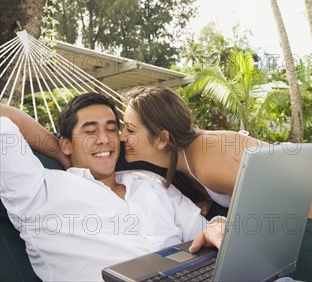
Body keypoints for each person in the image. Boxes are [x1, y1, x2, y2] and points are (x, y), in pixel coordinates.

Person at [0, 94, 225, 282]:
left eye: (111, 129)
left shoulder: (149, 182)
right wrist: (58, 153)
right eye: (90, 132)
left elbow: (203, 230)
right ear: (67, 143)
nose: (104, 139)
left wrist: (218, 225)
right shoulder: (39, 190)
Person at [121, 86, 312, 220]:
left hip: (307, 189)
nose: (121, 137)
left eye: (130, 130)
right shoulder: (184, 158)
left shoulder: (206, 161)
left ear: (162, 139)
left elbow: (267, 211)